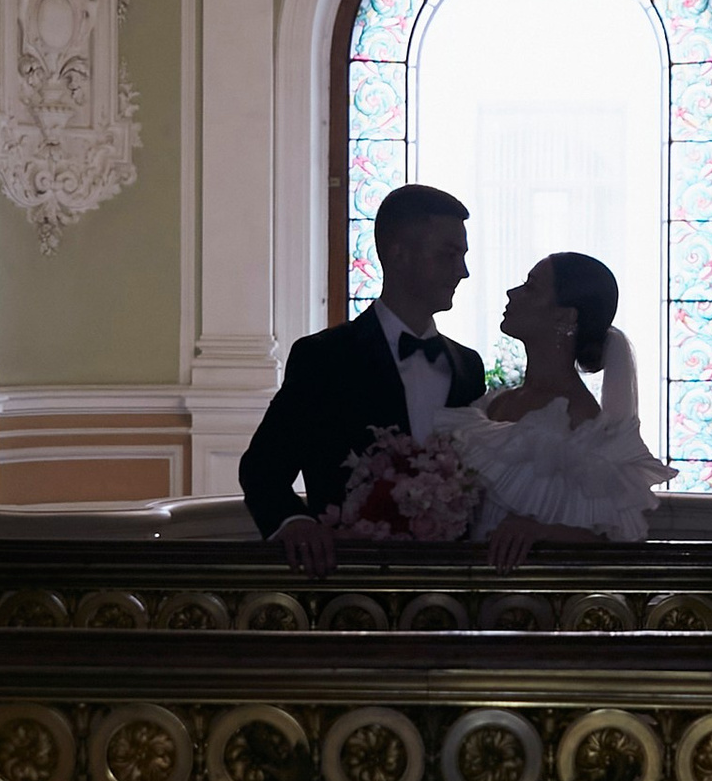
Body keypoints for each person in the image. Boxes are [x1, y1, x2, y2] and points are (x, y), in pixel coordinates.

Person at [241, 184, 486, 571]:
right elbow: (262, 469)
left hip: (449, 583)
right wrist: (295, 523)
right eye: (449, 254)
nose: (463, 271)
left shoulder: (468, 367)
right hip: (349, 581)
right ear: (398, 253)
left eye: (463, 256)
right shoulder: (323, 358)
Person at [436, 254, 667, 562]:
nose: (512, 293)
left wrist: (541, 531)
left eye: (530, 287)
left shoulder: (581, 420)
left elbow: (611, 539)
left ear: (565, 317)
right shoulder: (497, 401)